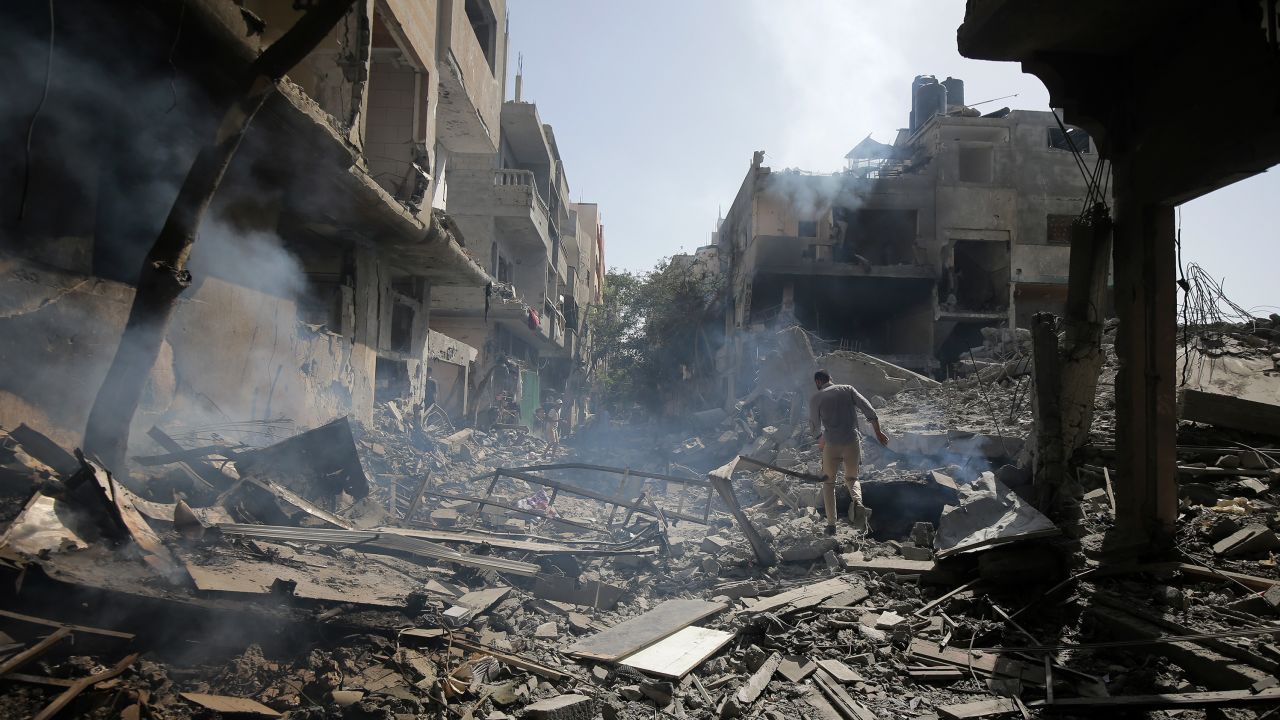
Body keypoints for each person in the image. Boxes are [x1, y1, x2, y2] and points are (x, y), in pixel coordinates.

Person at [809, 369, 889, 535]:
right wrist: (879, 433)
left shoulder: (816, 398)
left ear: (818, 382)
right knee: (852, 478)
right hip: (852, 443)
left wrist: (820, 440)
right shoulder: (848, 389)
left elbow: (814, 426)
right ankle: (858, 503)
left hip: (831, 445)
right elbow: (869, 409)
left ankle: (831, 525)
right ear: (831, 378)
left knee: (828, 483)